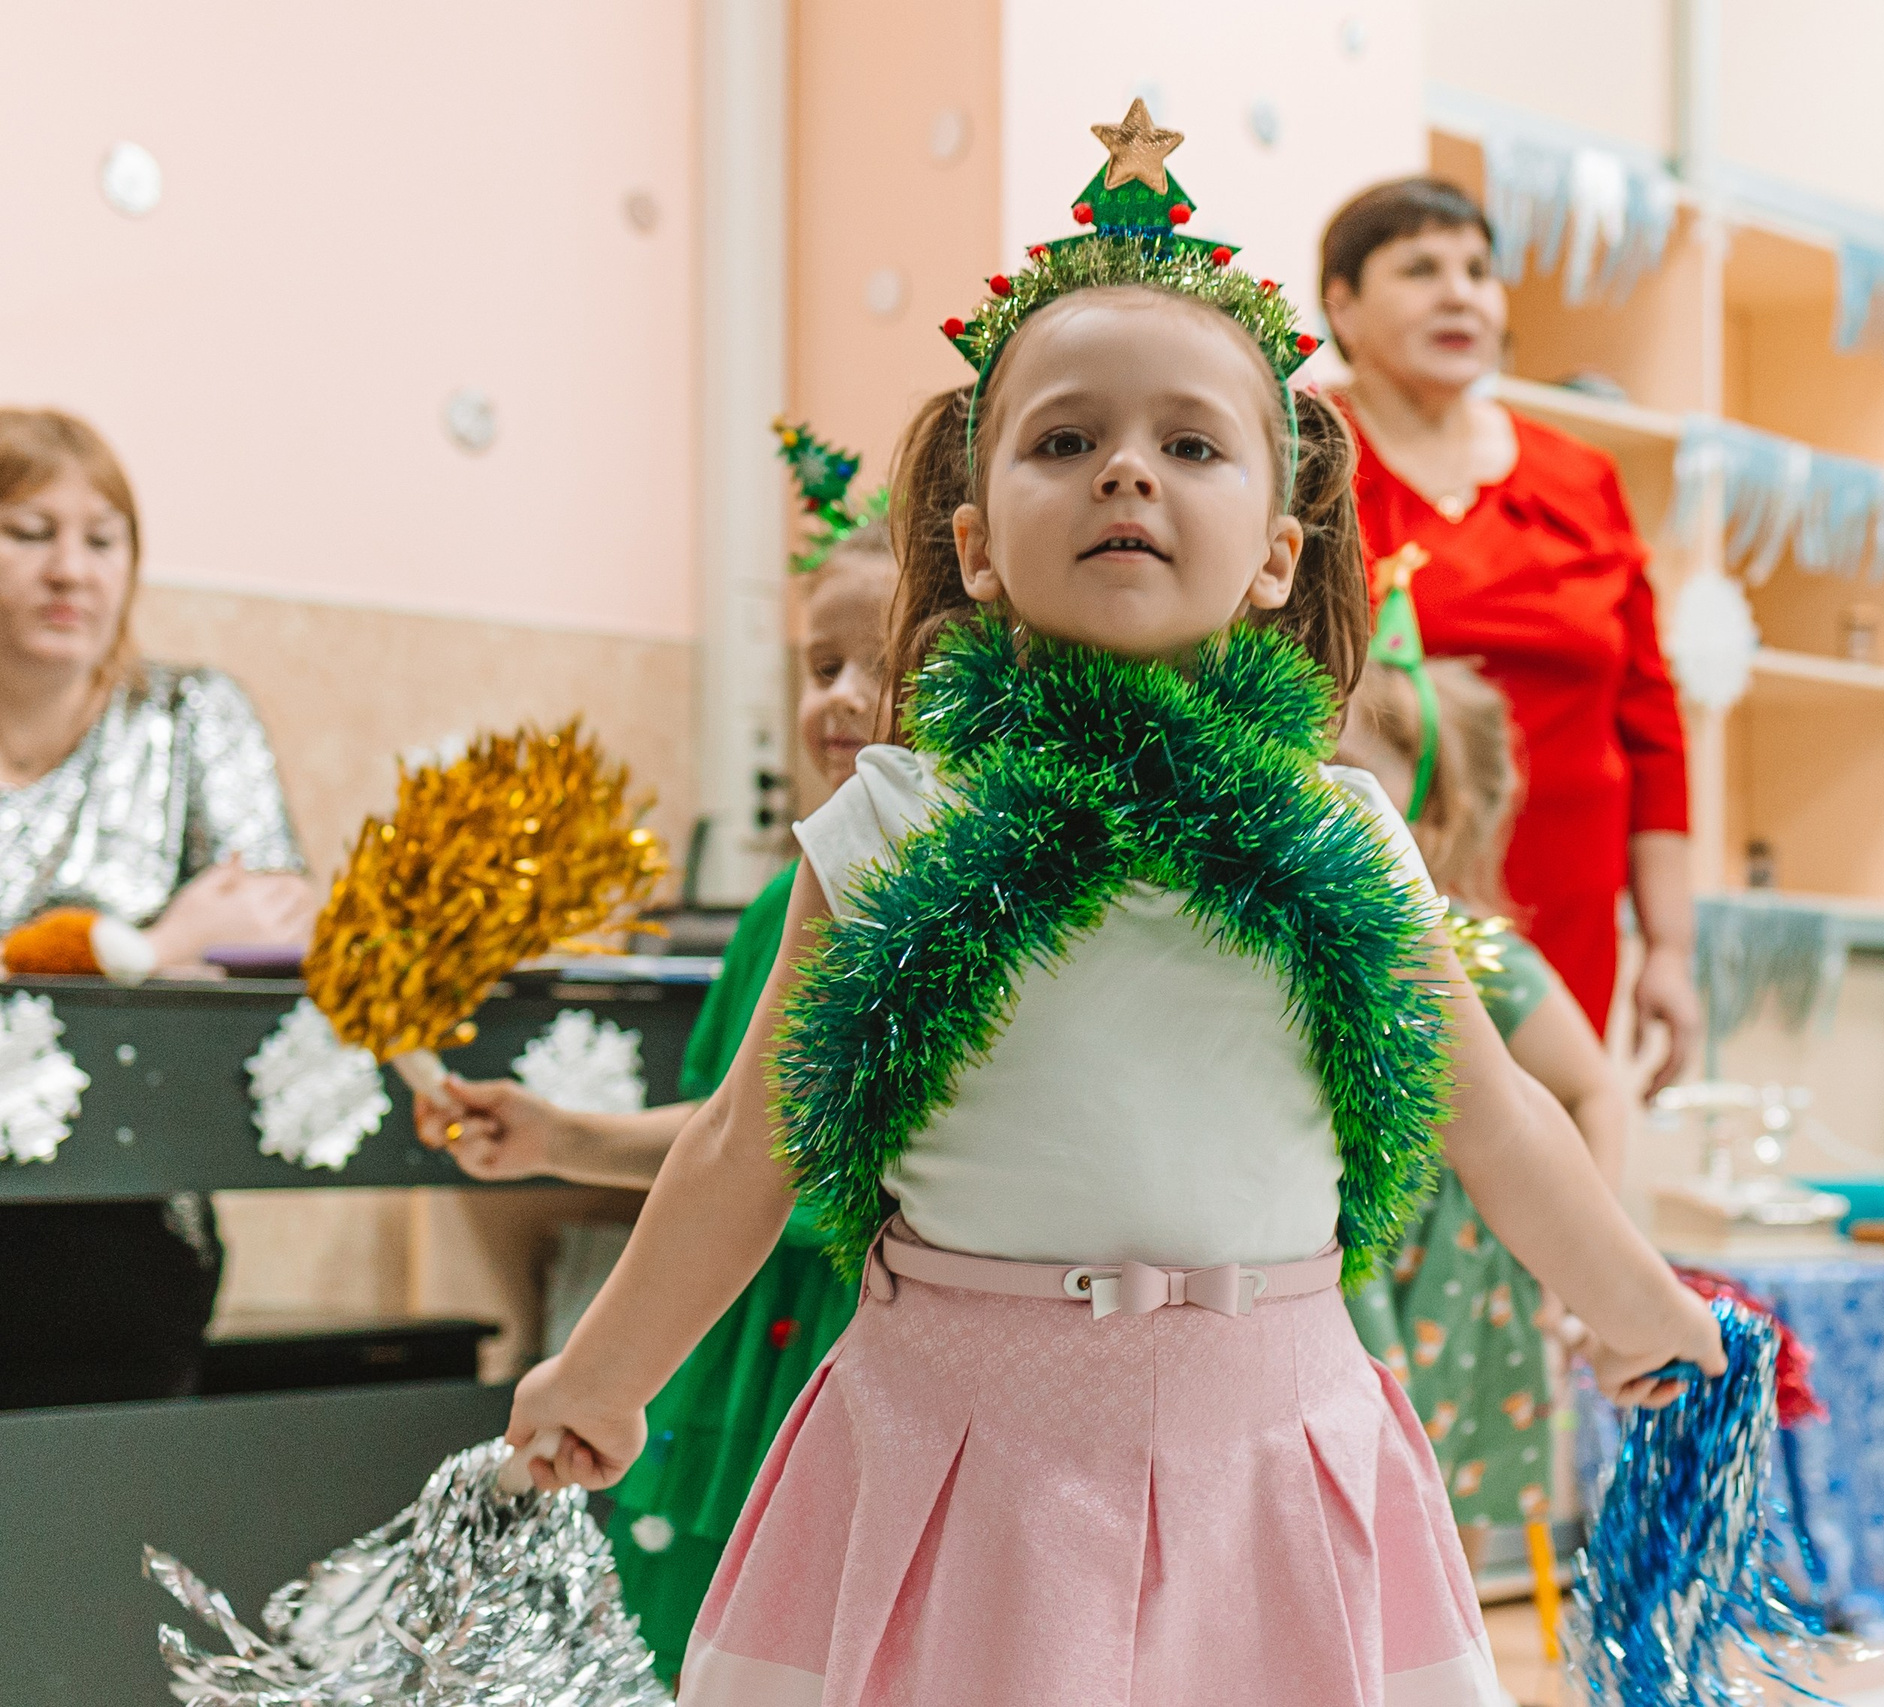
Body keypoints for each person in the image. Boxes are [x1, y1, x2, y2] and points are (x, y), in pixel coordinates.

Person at [501, 116, 1727, 1707]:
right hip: (957, 1457)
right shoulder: (888, 821)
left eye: (1193, 445)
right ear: (976, 545)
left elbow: (1489, 1115)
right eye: (1065, 442)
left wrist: (1635, 1298)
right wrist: (608, 1368)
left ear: (1280, 555)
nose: (1128, 469)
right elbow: (754, 1137)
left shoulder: (1343, 829)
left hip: (1272, 1453)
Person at [412, 516, 895, 1680]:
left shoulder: (939, 905)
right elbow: (736, 1135)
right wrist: (560, 1137)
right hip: (729, 1341)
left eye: (886, 668)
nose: (841, 698)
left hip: (863, 1349)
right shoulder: (786, 906)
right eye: (821, 665)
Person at [1319, 178, 1701, 1094]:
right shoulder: (1306, 453)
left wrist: (1671, 949)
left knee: (1552, 1160)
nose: (1460, 294)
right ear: (1343, 304)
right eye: (1420, 268)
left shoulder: (1581, 477)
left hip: (1567, 903)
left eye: (1479, 271)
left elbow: (1650, 722)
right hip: (1374, 891)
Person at [0, 408, 313, 1409]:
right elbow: (200, 933)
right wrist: (161, 942)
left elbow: (280, 919)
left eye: (103, 540)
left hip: (125, 1226)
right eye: (29, 532)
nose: (70, 572)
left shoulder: (190, 715)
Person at [1334, 605, 1622, 1559]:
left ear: (1431, 812)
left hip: (1449, 1279)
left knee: (1407, 1509)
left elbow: (1594, 1089)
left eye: (1348, 780)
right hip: (1337, 1268)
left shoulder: (1478, 957)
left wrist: (1577, 1273)